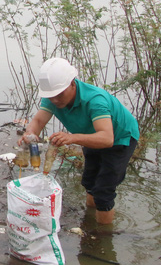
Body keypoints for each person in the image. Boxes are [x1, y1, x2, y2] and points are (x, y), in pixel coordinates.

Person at [18, 57, 139, 224]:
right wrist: (29, 135)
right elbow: (38, 121)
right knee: (89, 180)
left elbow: (106, 138)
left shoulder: (94, 100)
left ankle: (102, 238)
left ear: (72, 83)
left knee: (104, 190)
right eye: (51, 96)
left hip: (120, 138)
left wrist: (71, 138)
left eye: (59, 95)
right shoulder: (53, 98)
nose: (55, 100)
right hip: (88, 135)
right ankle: (89, 220)